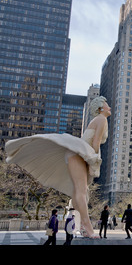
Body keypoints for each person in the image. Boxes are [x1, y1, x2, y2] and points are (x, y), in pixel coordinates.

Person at [6, 96, 110, 239]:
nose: (109, 107)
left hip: (77, 153)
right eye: (106, 104)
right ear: (100, 108)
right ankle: (88, 228)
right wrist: (94, 160)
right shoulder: (102, 119)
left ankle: (81, 225)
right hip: (80, 153)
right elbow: (96, 141)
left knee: (80, 191)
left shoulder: (97, 120)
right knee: (81, 190)